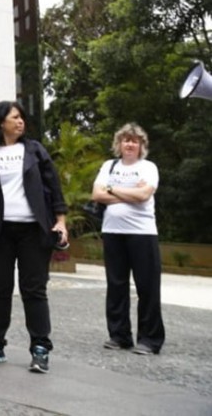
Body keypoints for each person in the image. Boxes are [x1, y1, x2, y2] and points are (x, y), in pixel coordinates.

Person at [0, 101, 68, 374]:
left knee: (34, 289)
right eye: (14, 117)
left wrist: (60, 221)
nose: (20, 121)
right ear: (0, 122)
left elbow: (53, 185)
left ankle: (40, 348)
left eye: (21, 117)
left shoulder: (34, 150)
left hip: (34, 230)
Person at [91, 123, 164, 355]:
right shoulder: (108, 166)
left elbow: (144, 195)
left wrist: (111, 190)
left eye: (134, 140)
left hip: (143, 233)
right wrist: (128, 193)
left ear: (141, 145)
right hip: (113, 232)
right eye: (125, 140)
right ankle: (119, 336)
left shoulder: (148, 168)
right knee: (116, 286)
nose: (130, 144)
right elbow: (96, 194)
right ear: (119, 144)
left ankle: (150, 340)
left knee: (147, 287)